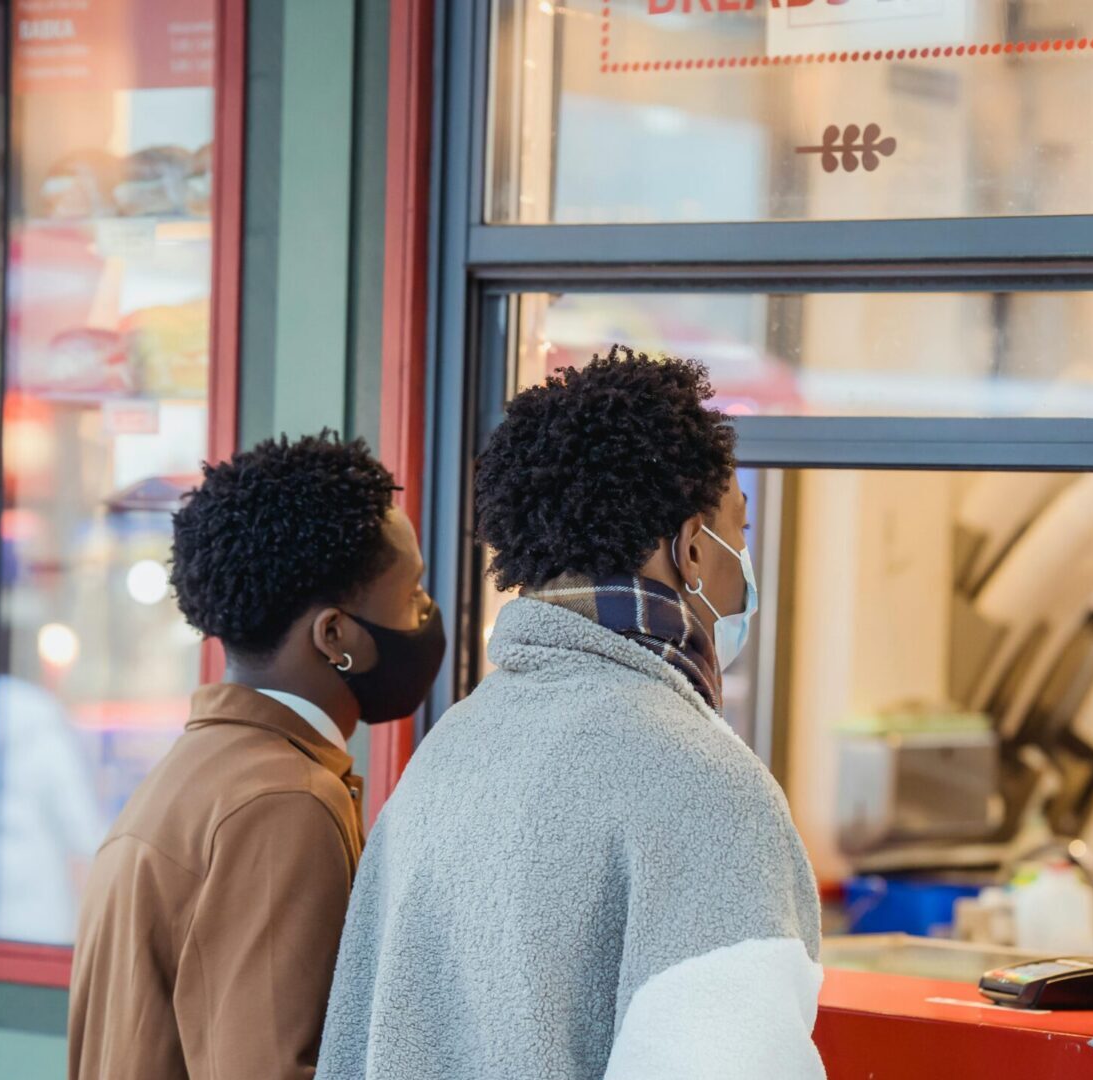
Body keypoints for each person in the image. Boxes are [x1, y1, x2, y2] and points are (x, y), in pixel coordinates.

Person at [319, 348, 827, 1080]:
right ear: (689, 549)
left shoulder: (447, 752)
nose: (741, 562)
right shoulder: (706, 787)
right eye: (737, 534)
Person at [68, 432, 445, 1080]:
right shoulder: (286, 803)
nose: (426, 613)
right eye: (412, 594)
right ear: (336, 637)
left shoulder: (196, 773)